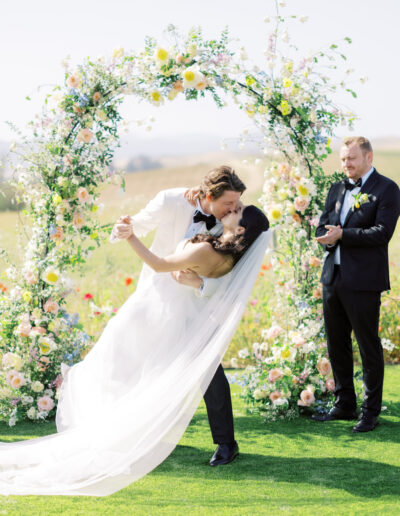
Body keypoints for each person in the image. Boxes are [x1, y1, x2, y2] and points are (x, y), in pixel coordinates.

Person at [0, 170, 270, 496]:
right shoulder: (172, 200)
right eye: (228, 202)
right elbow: (138, 225)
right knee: (119, 354)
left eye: (237, 202)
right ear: (209, 196)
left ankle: (227, 443)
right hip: (154, 299)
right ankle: (106, 425)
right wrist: (123, 230)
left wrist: (199, 283)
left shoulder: (233, 228)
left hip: (194, 307)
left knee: (210, 371)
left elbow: (227, 277)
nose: (234, 207)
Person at [313, 136, 400, 432]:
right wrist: (325, 238)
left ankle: (370, 411)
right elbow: (325, 221)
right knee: (336, 344)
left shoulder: (387, 189)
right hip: (332, 279)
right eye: (342, 159)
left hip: (363, 281)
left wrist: (342, 236)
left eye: (351, 158)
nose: (345, 164)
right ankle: (344, 404)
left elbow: (382, 233)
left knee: (367, 347)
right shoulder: (337, 188)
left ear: (368, 157)